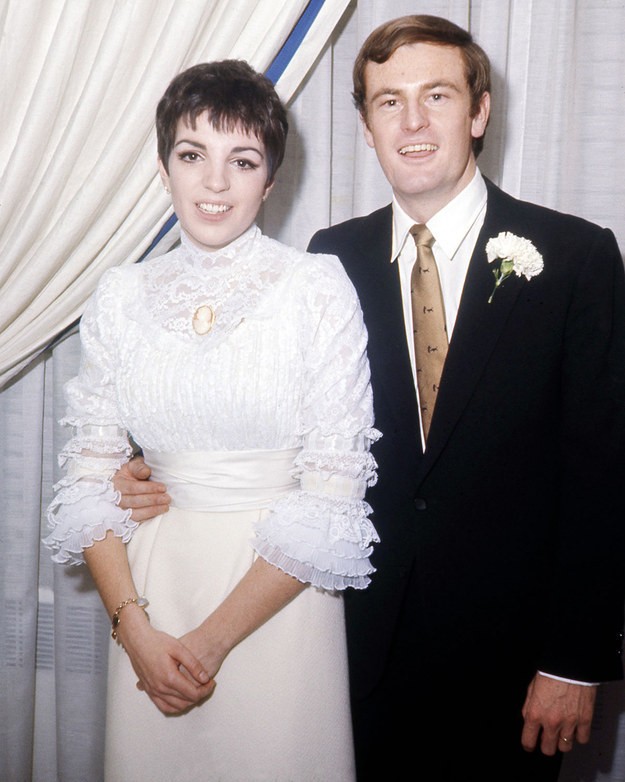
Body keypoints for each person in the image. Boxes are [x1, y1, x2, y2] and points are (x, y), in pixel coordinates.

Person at [114, 15, 625, 781]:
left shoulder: (575, 256)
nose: (411, 121)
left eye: (436, 96)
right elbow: (258, 408)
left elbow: (601, 476)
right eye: (389, 101)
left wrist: (573, 660)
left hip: (511, 665)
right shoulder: (329, 261)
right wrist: (143, 467)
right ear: (365, 126)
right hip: (342, 649)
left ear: (479, 112)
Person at [44, 60, 380, 782]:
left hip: (280, 599)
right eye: (193, 154)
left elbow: (334, 497)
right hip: (151, 597)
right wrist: (134, 631)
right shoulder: (120, 294)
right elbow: (88, 484)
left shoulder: (315, 287)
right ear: (164, 167)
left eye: (243, 160)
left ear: (270, 178)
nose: (216, 182)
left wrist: (210, 643)